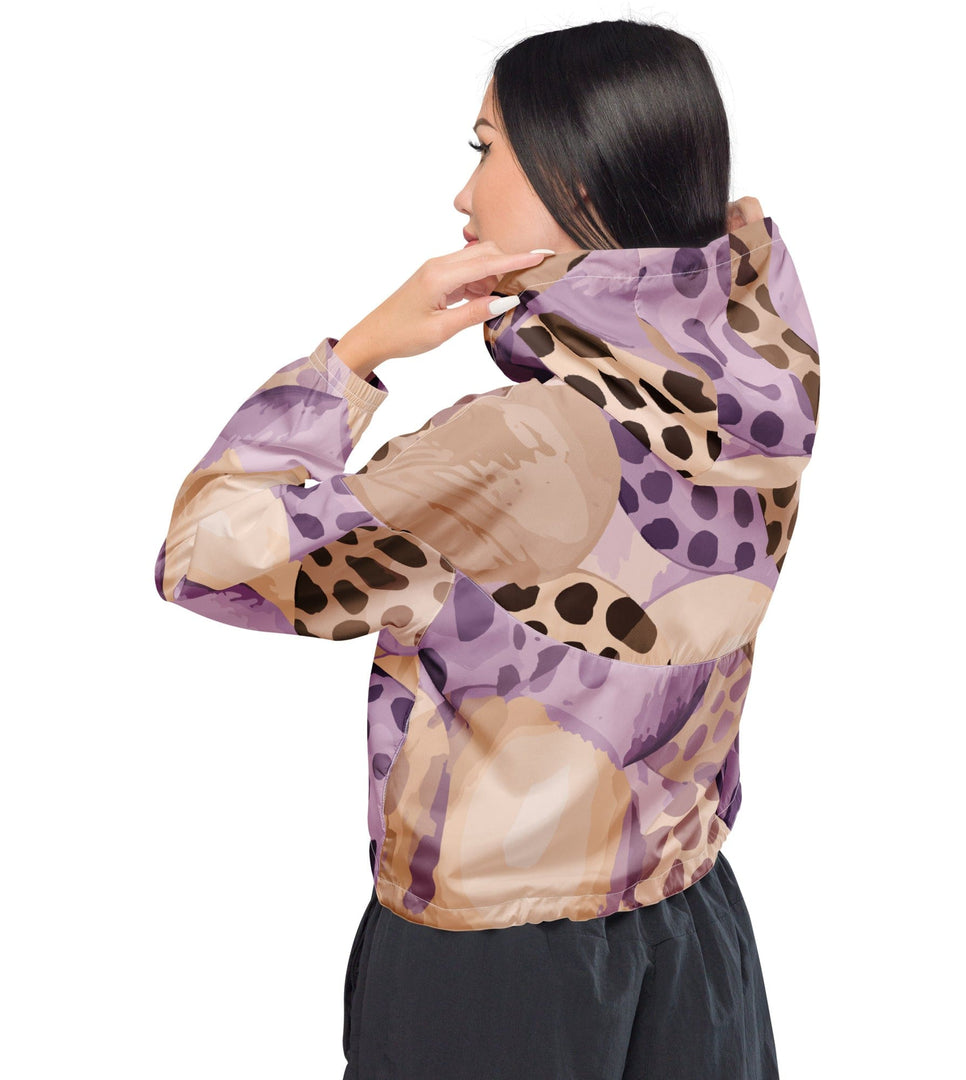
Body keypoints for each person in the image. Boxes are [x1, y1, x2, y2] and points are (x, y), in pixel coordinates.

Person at [153, 17, 820, 1080]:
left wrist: (358, 351)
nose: (463, 196)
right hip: (695, 930)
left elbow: (205, 556)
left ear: (577, 175)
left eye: (485, 148)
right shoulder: (758, 385)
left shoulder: (518, 444)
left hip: (500, 972)